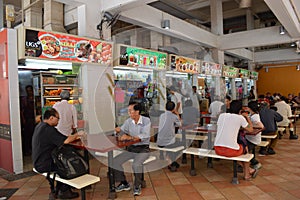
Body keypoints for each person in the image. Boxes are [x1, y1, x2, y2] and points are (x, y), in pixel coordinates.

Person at [32, 108, 83, 199]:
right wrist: (77, 135)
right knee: (67, 166)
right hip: (44, 164)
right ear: (51, 118)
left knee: (63, 163)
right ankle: (64, 191)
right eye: (58, 118)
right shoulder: (48, 129)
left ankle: (59, 189)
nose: (58, 121)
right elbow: (66, 140)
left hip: (38, 161)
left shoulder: (40, 126)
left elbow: (61, 139)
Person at [214, 100, 258, 181]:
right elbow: (251, 130)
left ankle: (250, 170)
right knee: (246, 150)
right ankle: (247, 175)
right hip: (231, 151)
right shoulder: (240, 118)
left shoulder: (222, 115)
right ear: (240, 110)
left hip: (217, 149)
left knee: (237, 148)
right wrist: (247, 117)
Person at [113, 103, 151, 196]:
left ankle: (137, 185)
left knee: (136, 164)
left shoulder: (146, 121)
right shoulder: (128, 121)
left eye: (130, 111)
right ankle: (124, 183)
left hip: (143, 148)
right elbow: (122, 131)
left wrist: (129, 137)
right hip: (131, 148)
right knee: (115, 161)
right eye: (128, 111)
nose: (129, 113)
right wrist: (120, 134)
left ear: (137, 112)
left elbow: (145, 136)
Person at [157, 101, 182, 171]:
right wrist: (177, 113)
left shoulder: (161, 116)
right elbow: (180, 124)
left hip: (159, 143)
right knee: (182, 145)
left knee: (172, 144)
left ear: (165, 107)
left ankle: (172, 162)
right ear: (174, 108)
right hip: (169, 143)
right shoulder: (173, 116)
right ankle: (170, 161)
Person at [244, 101, 264, 169]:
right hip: (250, 137)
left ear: (250, 108)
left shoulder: (255, 117)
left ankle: (255, 163)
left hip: (253, 139)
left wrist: (250, 130)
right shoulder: (253, 115)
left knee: (244, 150)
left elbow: (261, 126)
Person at [20, 85, 35, 156]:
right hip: (27, 119)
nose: (29, 92)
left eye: (30, 90)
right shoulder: (24, 100)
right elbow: (22, 111)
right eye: (28, 91)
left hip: (34, 119)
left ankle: (32, 149)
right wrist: (23, 120)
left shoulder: (35, 98)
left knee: (33, 135)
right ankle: (27, 150)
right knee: (27, 136)